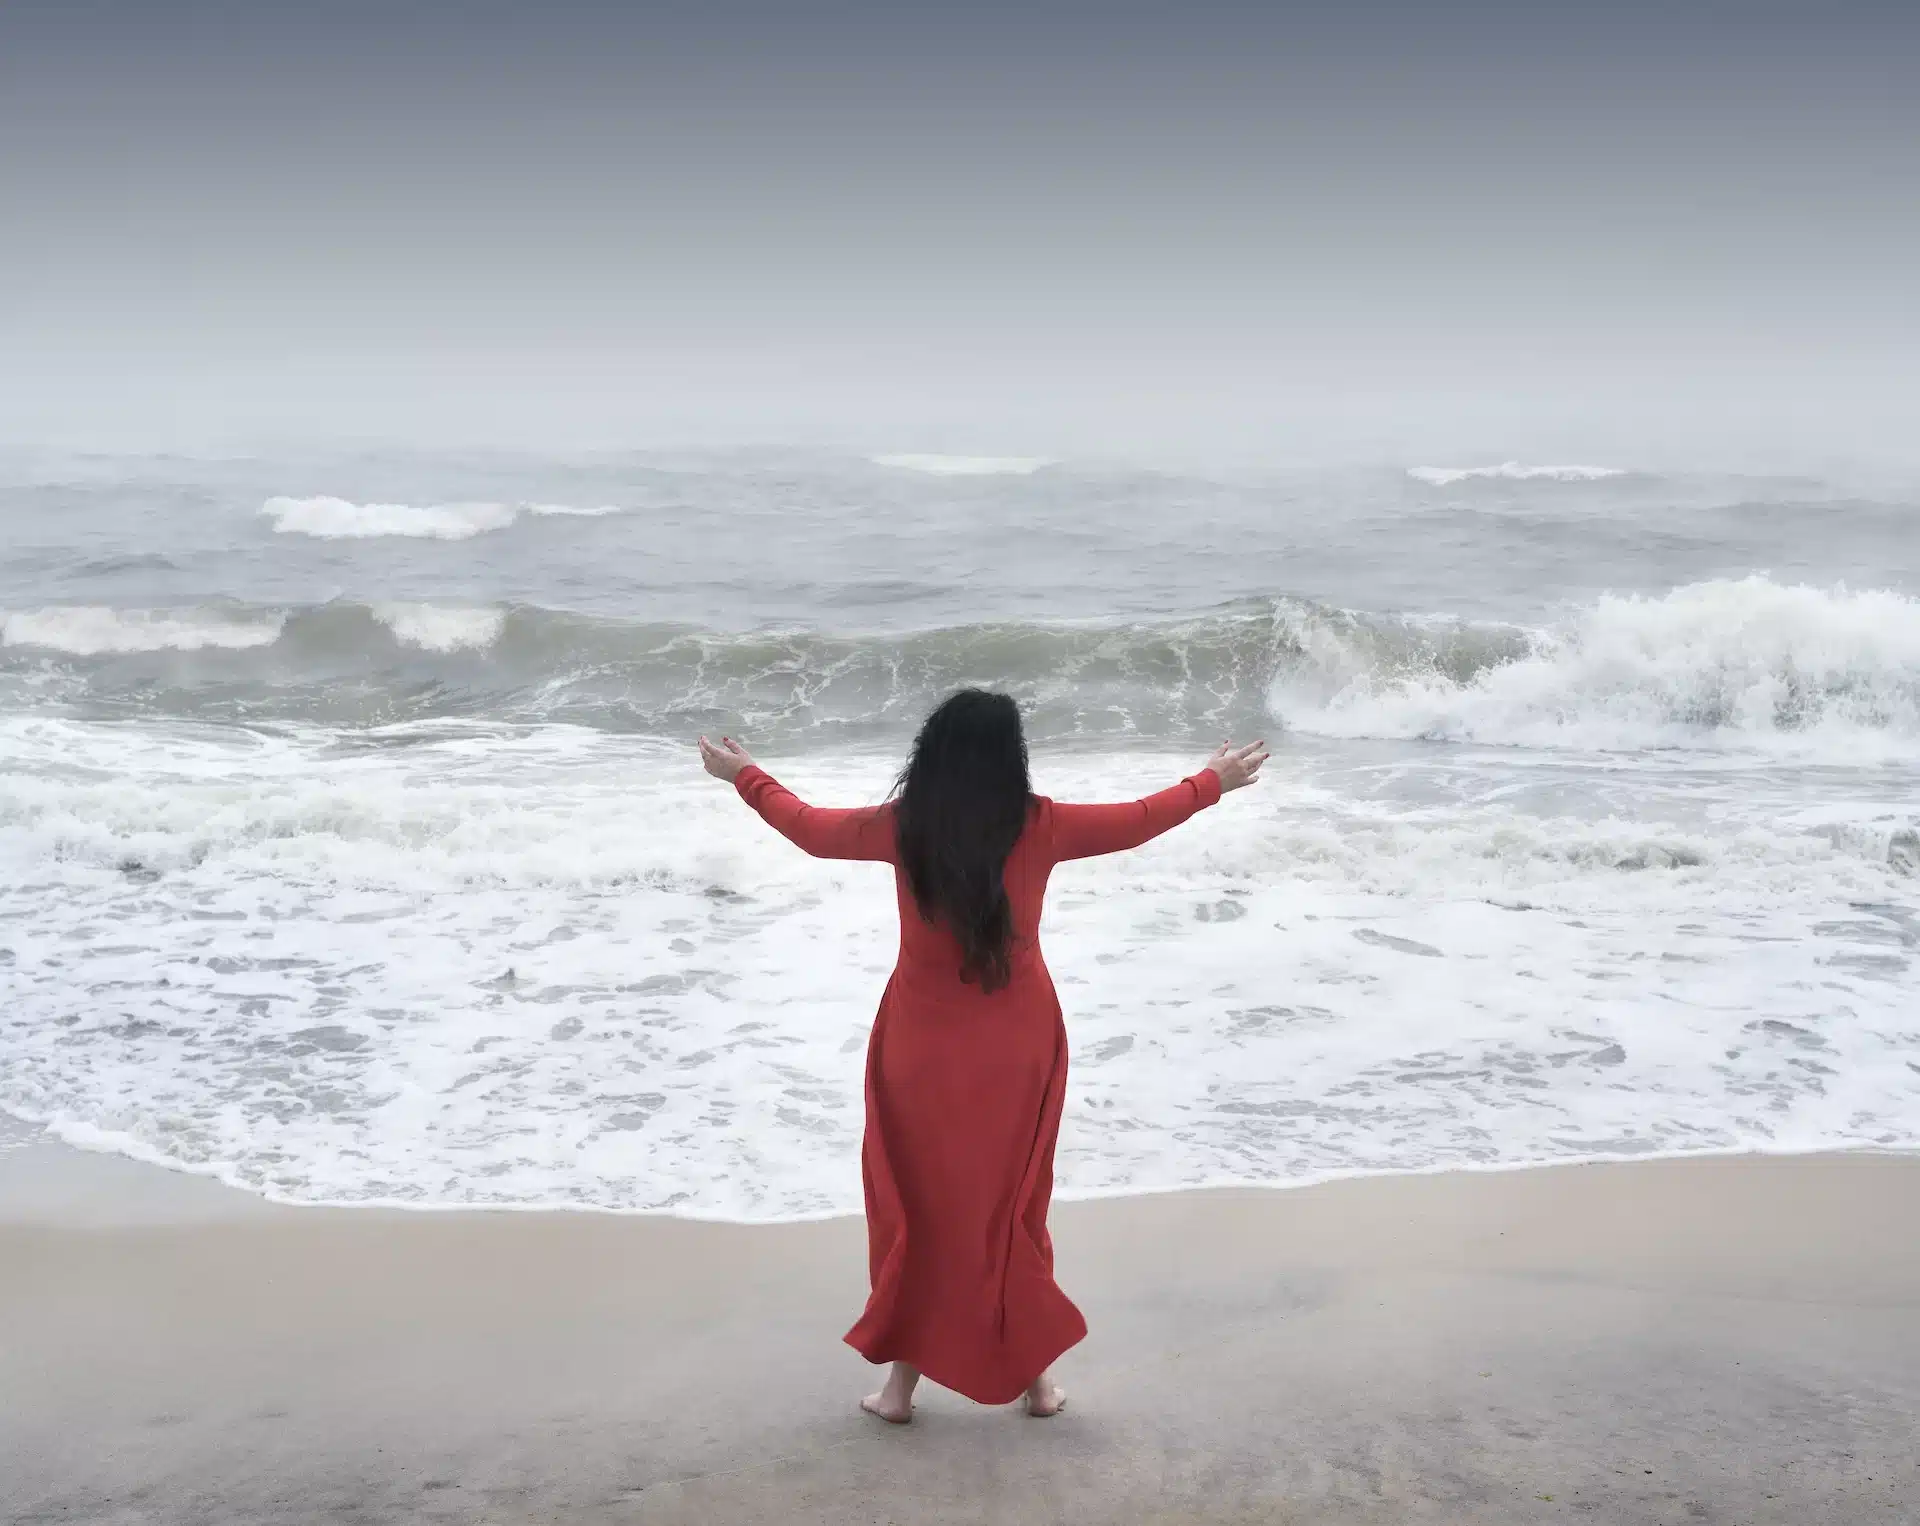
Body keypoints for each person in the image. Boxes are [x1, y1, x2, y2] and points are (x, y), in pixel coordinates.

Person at [698, 689, 1267, 1423]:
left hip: (920, 1053)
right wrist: (1211, 783)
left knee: (920, 1214)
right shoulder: (1044, 824)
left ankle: (900, 1392)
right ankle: (1036, 1385)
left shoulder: (904, 829)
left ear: (930, 755)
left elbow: (806, 828)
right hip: (1019, 1048)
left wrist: (744, 774)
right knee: (1012, 1212)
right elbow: (1139, 821)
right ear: (1011, 758)